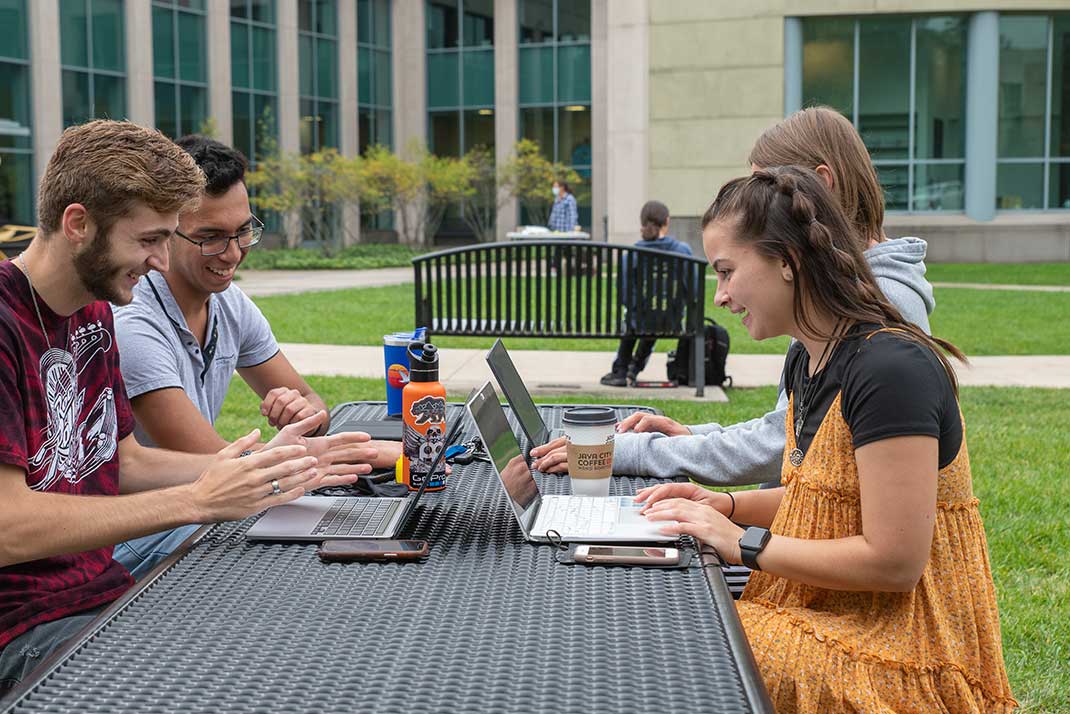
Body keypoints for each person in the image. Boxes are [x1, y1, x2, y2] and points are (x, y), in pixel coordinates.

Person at [0, 120, 368, 694]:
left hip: (101, 591)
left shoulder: (92, 312)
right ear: (78, 224)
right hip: (23, 631)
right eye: (149, 240)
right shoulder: (6, 324)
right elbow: (7, 526)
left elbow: (121, 463)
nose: (161, 262)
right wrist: (196, 500)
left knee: (298, 631)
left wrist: (270, 467)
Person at [640, 166, 1015, 712]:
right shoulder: (808, 357)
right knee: (664, 616)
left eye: (726, 272)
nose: (719, 296)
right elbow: (827, 499)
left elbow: (895, 561)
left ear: (787, 263)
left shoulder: (890, 369)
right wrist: (723, 503)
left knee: (685, 646)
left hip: (905, 652)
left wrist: (740, 540)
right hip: (829, 614)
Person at [533, 106, 935, 483]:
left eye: (767, 191)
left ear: (820, 187)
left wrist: (639, 454)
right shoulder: (833, 292)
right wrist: (690, 438)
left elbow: (786, 450)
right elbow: (794, 431)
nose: (752, 209)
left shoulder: (881, 310)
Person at [111, 135, 402, 578]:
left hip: (203, 510)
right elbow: (223, 469)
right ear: (168, 232)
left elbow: (312, 404)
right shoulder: (132, 324)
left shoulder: (228, 302)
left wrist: (305, 414)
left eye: (242, 231)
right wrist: (377, 454)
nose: (232, 254)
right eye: (210, 237)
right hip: (143, 535)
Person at [600, 200, 693, 387]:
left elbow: (624, 296)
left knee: (639, 318)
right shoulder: (683, 251)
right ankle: (632, 370)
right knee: (656, 317)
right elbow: (692, 291)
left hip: (638, 321)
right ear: (666, 221)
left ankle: (620, 370)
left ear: (642, 223)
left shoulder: (631, 254)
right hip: (671, 322)